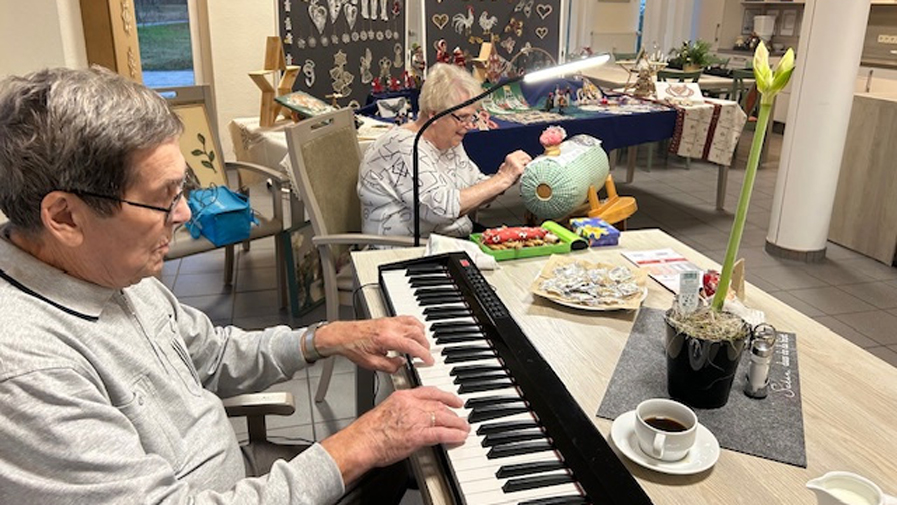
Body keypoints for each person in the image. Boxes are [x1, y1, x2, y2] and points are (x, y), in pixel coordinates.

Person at [0, 67, 470, 504]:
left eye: (181, 191)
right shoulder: (28, 371)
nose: (184, 213)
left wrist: (323, 337)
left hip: (233, 473)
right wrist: (364, 440)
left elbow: (214, 355)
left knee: (414, 462)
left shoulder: (111, 270)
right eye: (163, 198)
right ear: (65, 217)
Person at [358, 63, 532, 238]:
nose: (469, 126)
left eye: (472, 117)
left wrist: (508, 176)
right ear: (434, 115)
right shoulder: (403, 147)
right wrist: (502, 179)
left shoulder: (449, 141)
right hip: (407, 247)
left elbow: (475, 186)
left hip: (448, 239)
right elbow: (440, 209)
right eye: (462, 117)